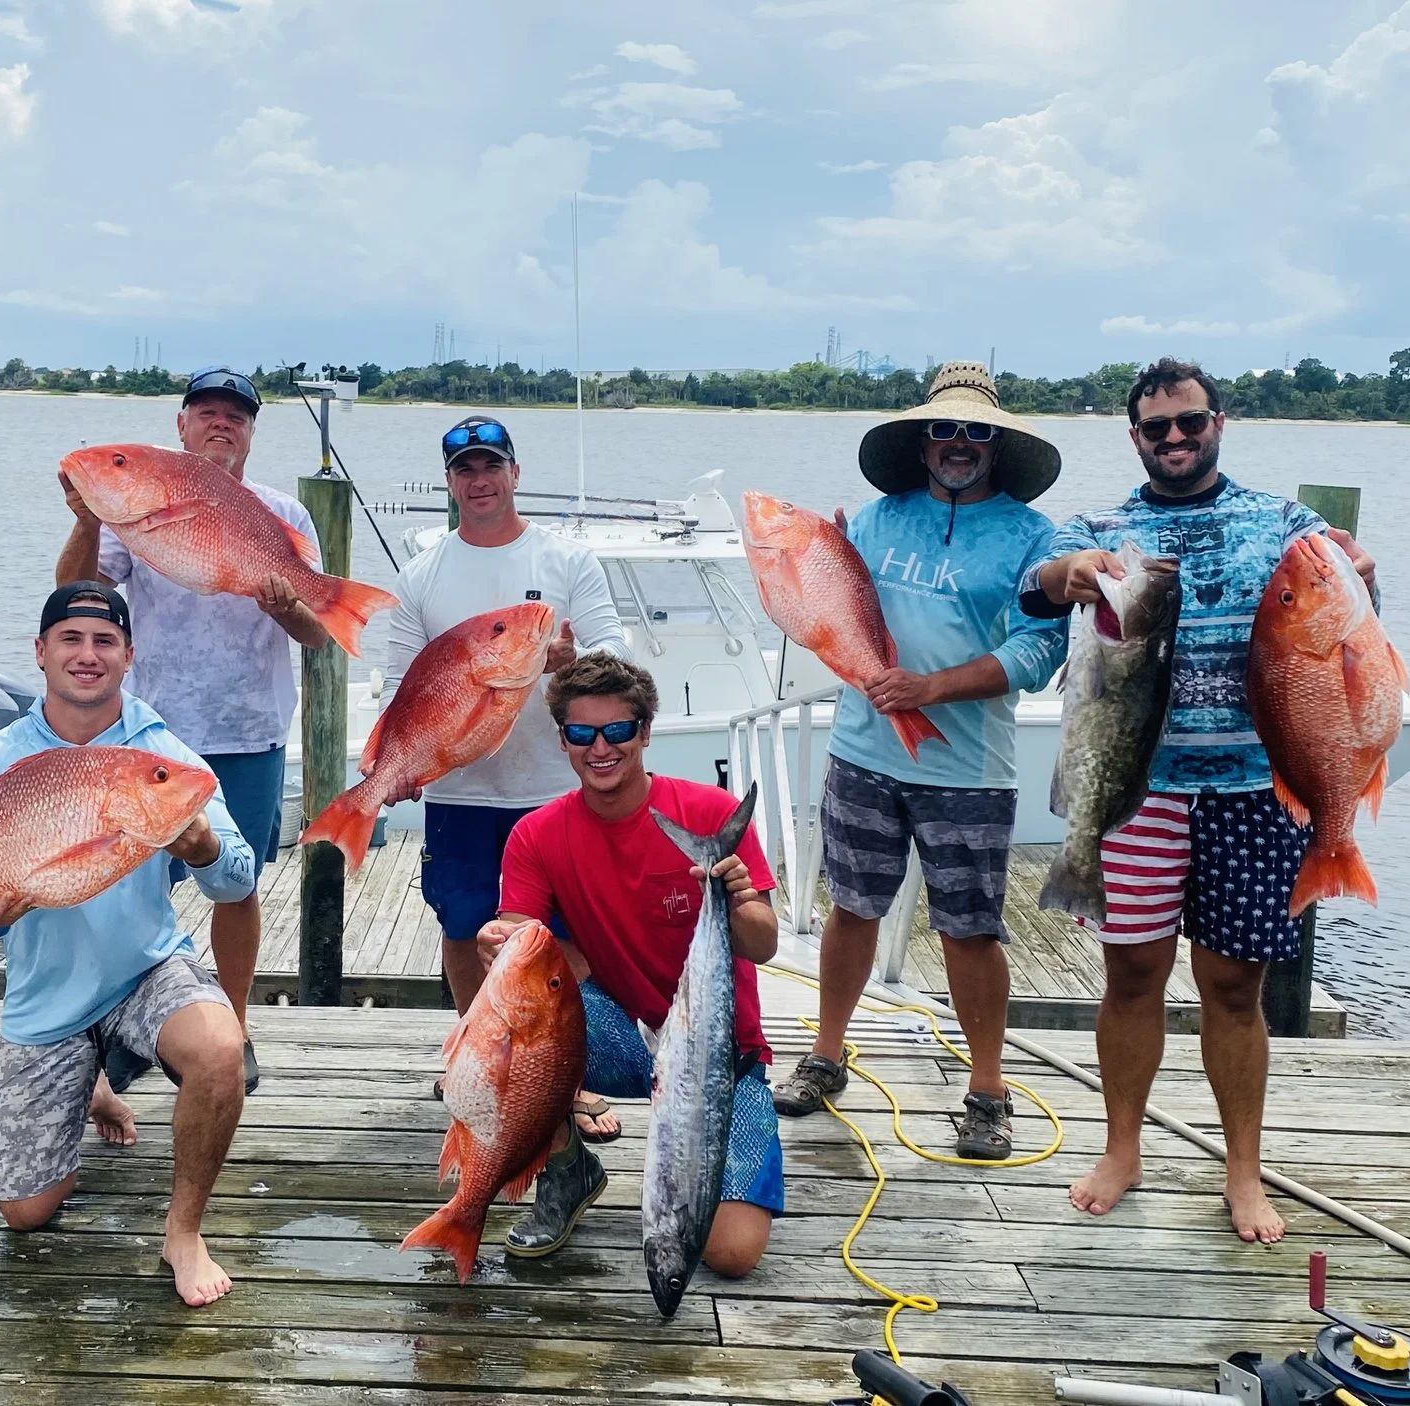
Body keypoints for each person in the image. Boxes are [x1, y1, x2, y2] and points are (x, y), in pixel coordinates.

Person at [1022, 357, 1377, 1243]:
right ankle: (1122, 1148)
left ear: (1220, 422)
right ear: (1134, 436)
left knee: (1233, 988)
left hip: (1256, 791)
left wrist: (1363, 568)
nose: (1175, 439)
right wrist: (1071, 572)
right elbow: (1031, 584)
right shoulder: (1108, 524)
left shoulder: (1284, 523)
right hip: (1136, 788)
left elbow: (1357, 612)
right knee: (1131, 973)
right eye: (1156, 428)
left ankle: (1243, 1171)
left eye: (1191, 422)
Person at [771, 364, 1068, 1164]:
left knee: (971, 931)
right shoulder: (874, 520)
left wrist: (930, 688)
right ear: (922, 438)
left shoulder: (1034, 537)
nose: (960, 444)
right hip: (863, 752)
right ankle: (827, 1056)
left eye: (977, 431)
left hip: (971, 768)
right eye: (946, 429)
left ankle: (987, 1092)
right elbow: (832, 617)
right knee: (852, 909)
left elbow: (1042, 649)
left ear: (998, 443)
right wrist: (814, 572)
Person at [0, 582, 255, 1307]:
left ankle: (184, 1232)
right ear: (42, 652)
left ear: (128, 656)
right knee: (27, 1213)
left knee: (219, 1050)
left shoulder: (160, 756)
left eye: (105, 641)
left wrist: (206, 846)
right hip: (46, 998)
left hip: (145, 970)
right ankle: (91, 1083)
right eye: (72, 639)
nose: (88, 655)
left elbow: (239, 878)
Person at [55, 366, 325, 1092]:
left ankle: (230, 1029)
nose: (220, 425)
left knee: (235, 887)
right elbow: (75, 595)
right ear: (180, 427)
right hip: (148, 735)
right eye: (205, 412)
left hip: (249, 731)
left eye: (235, 416)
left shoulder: (284, 517)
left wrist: (286, 606)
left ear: (251, 433)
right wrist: (87, 519)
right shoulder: (136, 506)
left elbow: (318, 631)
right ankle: (121, 1025)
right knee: (126, 885)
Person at [474, 654, 782, 1273]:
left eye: (617, 731)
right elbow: (521, 945)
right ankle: (567, 1170)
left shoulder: (710, 812)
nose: (600, 748)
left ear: (644, 731)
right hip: (626, 1034)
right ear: (562, 739)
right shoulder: (536, 835)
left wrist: (736, 898)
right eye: (582, 734)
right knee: (518, 1013)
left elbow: (764, 943)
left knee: (731, 1254)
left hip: (723, 1056)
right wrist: (499, 946)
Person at [381, 416, 627, 1028]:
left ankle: (562, 1074)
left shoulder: (567, 560)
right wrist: (396, 763)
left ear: (515, 473)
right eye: (465, 470)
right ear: (449, 484)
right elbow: (398, 687)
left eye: (492, 465)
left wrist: (576, 664)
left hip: (554, 788)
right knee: (463, 926)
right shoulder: (421, 575)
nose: (480, 479)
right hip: (456, 790)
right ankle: (475, 1054)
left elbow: (616, 649)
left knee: (564, 932)